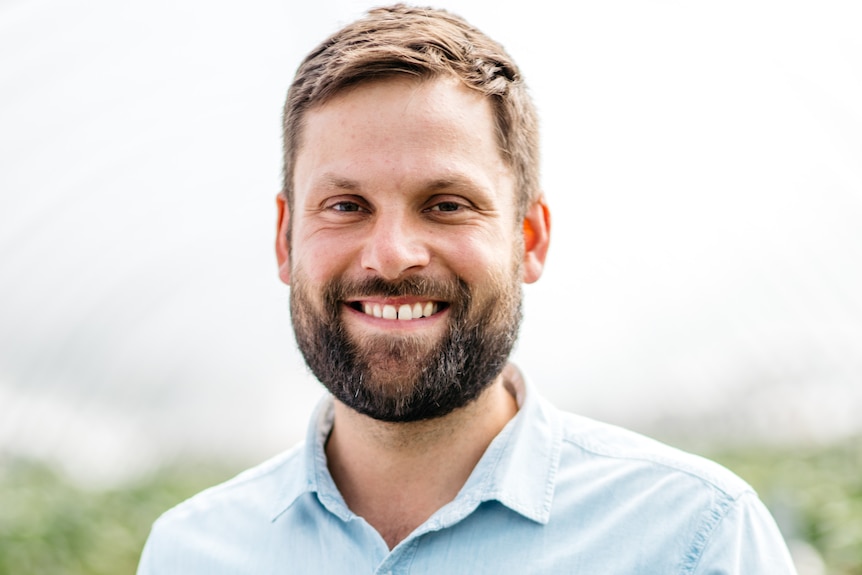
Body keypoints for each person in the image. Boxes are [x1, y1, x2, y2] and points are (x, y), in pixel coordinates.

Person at [137, 4, 798, 573]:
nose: (392, 255)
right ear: (285, 240)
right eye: (345, 205)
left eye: (447, 203)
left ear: (530, 237)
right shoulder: (190, 552)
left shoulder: (695, 536)